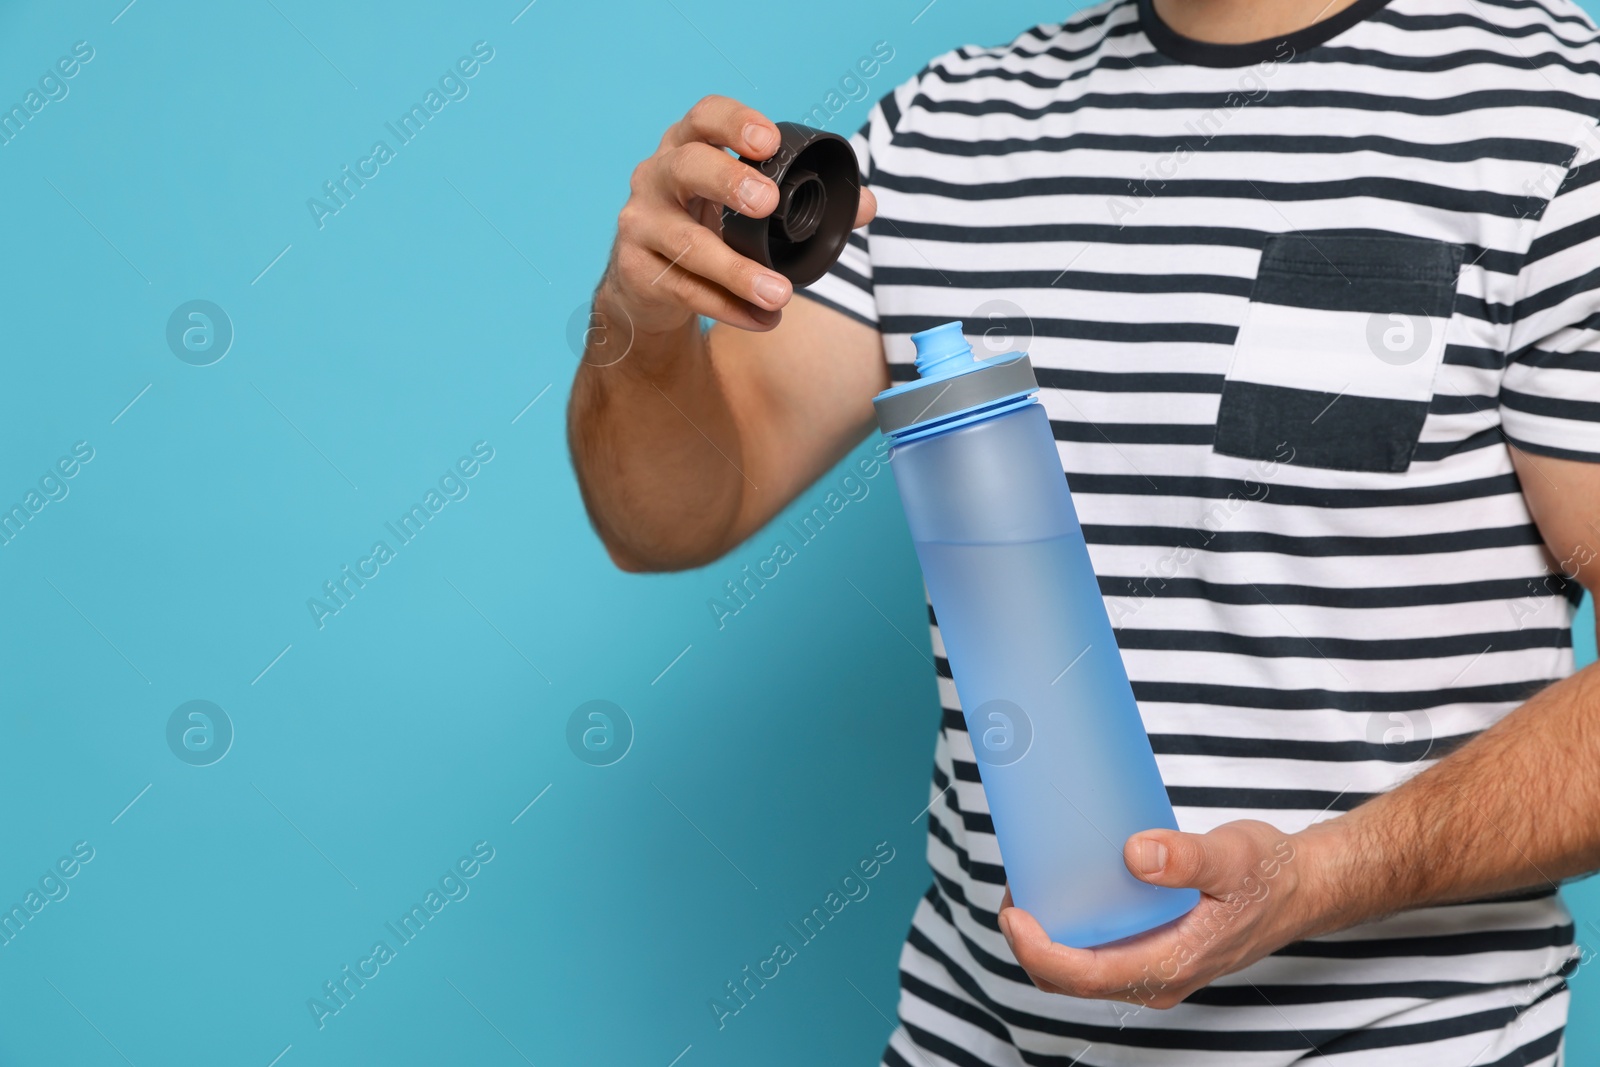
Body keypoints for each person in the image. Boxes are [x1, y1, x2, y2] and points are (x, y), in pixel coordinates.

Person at [566, 0, 1600, 1062]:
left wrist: (1317, 876)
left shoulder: (1556, 117)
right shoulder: (945, 125)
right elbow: (665, 517)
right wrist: (636, 326)